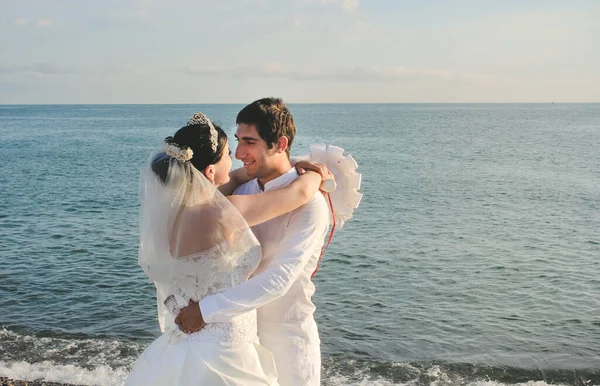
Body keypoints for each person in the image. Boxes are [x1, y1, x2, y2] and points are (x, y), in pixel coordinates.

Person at [125, 112, 330, 386]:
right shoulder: (226, 212)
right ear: (210, 171)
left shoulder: (172, 217)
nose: (235, 157)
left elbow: (228, 178)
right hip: (227, 349)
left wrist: (287, 162)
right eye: (227, 154)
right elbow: (299, 195)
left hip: (192, 343)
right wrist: (317, 174)